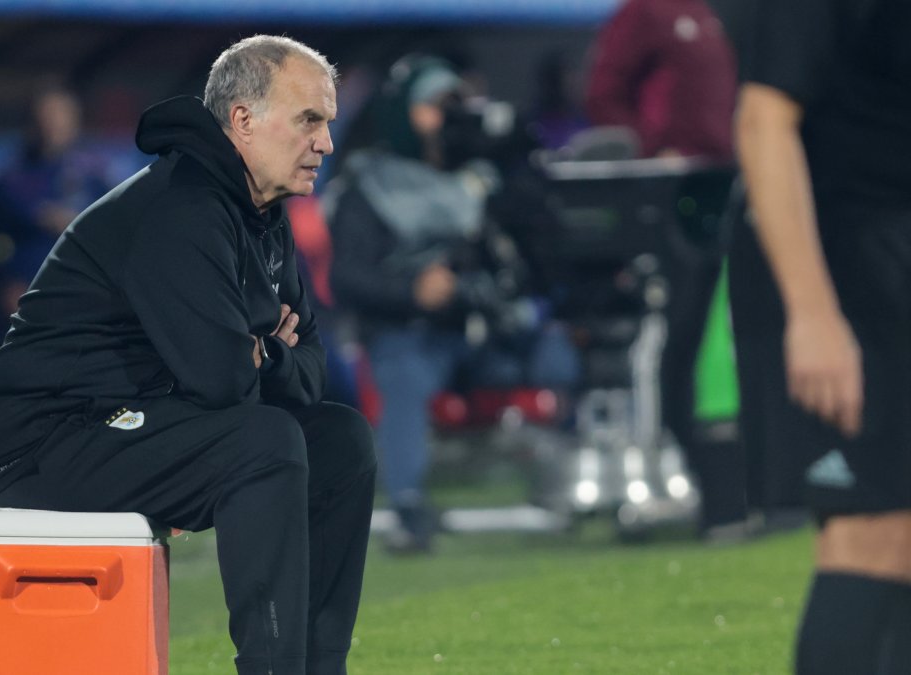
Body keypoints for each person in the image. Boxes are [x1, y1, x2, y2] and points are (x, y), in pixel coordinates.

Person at [0, 36, 375, 675]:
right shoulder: (179, 207)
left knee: (341, 439)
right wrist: (271, 352)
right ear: (243, 120)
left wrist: (258, 353)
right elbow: (219, 380)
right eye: (309, 120)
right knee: (264, 440)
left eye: (326, 123)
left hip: (141, 418)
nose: (325, 142)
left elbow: (313, 371)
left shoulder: (262, 217)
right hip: (48, 441)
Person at [329, 55, 580, 553]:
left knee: (560, 356)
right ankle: (408, 505)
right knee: (403, 377)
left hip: (484, 329)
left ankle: (576, 481)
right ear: (405, 113)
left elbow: (535, 243)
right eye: (435, 106)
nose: (449, 117)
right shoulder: (371, 185)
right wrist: (411, 290)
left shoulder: (482, 178)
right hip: (411, 333)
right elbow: (346, 277)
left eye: (456, 104)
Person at [734, 1, 911, 673]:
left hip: (894, 256)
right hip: (839, 269)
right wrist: (813, 315)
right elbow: (762, 122)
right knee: (871, 533)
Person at [0, 84, 108, 353]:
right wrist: (6, 279)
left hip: (83, 297)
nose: (52, 125)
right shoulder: (11, 177)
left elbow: (116, 231)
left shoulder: (93, 174)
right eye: (45, 117)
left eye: (60, 117)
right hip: (26, 295)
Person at [586, 0, 736, 161]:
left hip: (716, 163)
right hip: (669, 172)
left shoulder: (705, 11)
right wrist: (649, 150)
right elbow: (602, 95)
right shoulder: (645, 8)